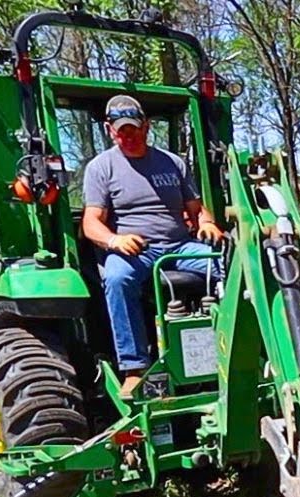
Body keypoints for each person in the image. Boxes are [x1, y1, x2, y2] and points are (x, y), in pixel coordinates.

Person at [81, 95, 223, 397]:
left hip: (181, 247)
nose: (128, 136)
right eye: (121, 130)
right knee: (118, 279)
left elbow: (197, 209)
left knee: (229, 266)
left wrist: (207, 223)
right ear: (110, 130)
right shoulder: (100, 168)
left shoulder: (173, 163)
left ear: (146, 127)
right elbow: (91, 223)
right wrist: (114, 240)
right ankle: (134, 368)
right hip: (136, 252)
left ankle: (236, 348)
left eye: (134, 129)